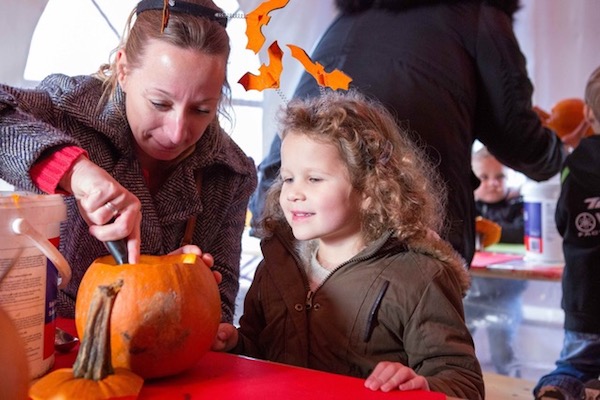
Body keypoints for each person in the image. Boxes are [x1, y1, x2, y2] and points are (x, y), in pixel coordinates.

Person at [213, 90, 485, 399]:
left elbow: (464, 383)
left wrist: (422, 386)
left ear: (369, 189)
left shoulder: (421, 278)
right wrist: (235, 346)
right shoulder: (275, 264)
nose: (293, 194)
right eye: (288, 178)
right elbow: (258, 350)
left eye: (314, 179)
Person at [248, 0, 566, 264]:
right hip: (396, 225)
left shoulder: (353, 15)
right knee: (408, 332)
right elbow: (517, 137)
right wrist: (560, 149)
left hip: (287, 209)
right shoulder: (478, 14)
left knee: (295, 332)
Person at [0, 0, 257, 323]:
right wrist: (74, 172)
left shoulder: (231, 173)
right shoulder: (67, 111)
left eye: (201, 109)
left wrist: (184, 286)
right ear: (123, 70)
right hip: (49, 342)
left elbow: (220, 310)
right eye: (160, 103)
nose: (177, 133)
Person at [533, 67, 600, 400]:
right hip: (583, 296)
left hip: (583, 296)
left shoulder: (575, 162)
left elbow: (564, 219)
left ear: (588, 113)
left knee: (575, 364)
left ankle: (558, 388)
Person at [464, 146, 527, 377]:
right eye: (484, 177)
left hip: (506, 296)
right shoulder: (468, 206)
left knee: (504, 351)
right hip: (469, 295)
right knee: (458, 347)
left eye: (500, 176)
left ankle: (513, 387)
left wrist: (484, 231)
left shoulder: (518, 205)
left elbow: (524, 232)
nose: (492, 183)